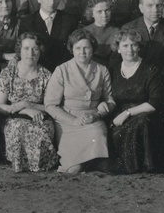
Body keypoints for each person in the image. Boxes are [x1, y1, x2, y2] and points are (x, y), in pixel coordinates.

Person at [45, 29, 115, 173]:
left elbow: (110, 101)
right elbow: (50, 105)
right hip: (68, 122)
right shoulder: (62, 70)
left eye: (86, 48)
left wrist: (98, 113)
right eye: (78, 48)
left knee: (97, 132)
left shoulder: (102, 70)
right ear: (72, 49)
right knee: (72, 169)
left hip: (92, 120)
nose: (82, 52)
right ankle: (85, 163)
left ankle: (93, 162)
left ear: (93, 49)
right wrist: (73, 120)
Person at [0, 33, 58, 172]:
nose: (30, 53)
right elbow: (0, 105)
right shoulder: (8, 72)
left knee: (41, 129)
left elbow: (51, 106)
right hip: (14, 117)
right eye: (26, 48)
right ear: (19, 50)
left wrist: (30, 105)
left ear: (40, 51)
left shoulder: (46, 75)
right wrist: (23, 108)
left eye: (35, 49)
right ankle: (21, 164)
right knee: (19, 127)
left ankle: (40, 164)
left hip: (40, 116)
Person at [106, 29, 162, 174]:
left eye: (134, 45)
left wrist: (128, 113)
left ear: (139, 47)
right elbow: (107, 96)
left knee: (142, 121)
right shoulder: (112, 70)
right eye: (125, 45)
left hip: (144, 113)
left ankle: (144, 166)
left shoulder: (151, 70)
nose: (129, 49)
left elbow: (155, 102)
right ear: (118, 49)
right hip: (118, 116)